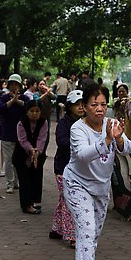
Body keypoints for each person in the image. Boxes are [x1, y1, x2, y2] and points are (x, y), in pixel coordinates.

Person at [63, 83, 131, 260]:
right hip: (77, 184)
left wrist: (119, 137)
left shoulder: (111, 124)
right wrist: (108, 139)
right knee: (86, 228)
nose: (99, 108)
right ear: (84, 106)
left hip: (100, 187)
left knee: (94, 232)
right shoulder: (77, 128)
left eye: (103, 104)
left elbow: (128, 148)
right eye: (94, 104)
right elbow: (83, 154)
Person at [49, 89, 84, 248]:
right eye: (77, 105)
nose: (81, 108)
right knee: (70, 201)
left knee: (65, 199)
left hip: (81, 169)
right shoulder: (64, 123)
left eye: (83, 104)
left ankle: (57, 228)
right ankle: (72, 236)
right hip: (63, 168)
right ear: (70, 106)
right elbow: (62, 142)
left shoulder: (86, 122)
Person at [12, 99, 49, 214]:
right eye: (32, 111)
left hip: (37, 156)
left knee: (35, 179)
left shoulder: (44, 122)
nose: (34, 114)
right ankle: (26, 205)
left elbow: (42, 138)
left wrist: (37, 151)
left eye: (37, 111)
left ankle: (32, 202)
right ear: (27, 112)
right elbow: (22, 140)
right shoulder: (21, 123)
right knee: (24, 181)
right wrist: (31, 150)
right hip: (21, 156)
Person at [0, 73, 29, 194]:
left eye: (16, 84)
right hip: (7, 133)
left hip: (21, 135)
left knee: (20, 160)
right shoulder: (4, 97)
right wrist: (12, 100)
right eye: (12, 84)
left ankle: (17, 182)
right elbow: (1, 108)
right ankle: (10, 183)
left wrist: (18, 101)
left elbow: (30, 107)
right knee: (9, 160)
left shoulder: (25, 98)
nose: (14, 87)